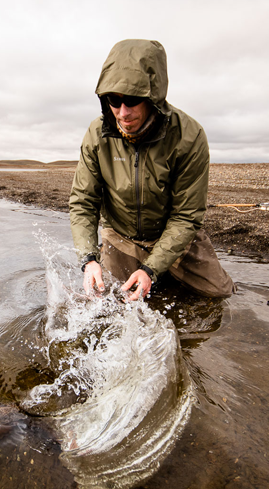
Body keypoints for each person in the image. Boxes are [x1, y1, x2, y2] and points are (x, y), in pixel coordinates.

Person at [69, 39, 234, 301]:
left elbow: (187, 216)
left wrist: (151, 268)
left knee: (220, 295)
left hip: (175, 235)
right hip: (121, 236)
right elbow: (83, 202)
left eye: (133, 100)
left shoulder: (188, 136)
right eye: (114, 100)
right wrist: (88, 258)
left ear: (152, 97)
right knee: (106, 299)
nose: (123, 112)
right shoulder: (96, 134)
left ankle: (160, 270)